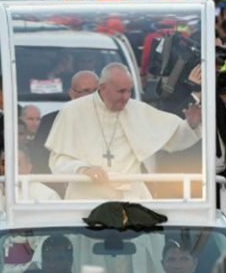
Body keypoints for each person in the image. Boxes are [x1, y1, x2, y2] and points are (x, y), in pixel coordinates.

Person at [46, 63, 202, 200]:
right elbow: (59, 160)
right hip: (87, 196)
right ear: (103, 88)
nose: (126, 97)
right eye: (121, 91)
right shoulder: (73, 111)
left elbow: (173, 140)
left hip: (131, 196)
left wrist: (191, 125)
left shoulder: (137, 110)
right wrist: (83, 169)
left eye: (129, 91)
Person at [30, 70, 99, 174]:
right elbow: (40, 159)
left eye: (96, 91)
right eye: (86, 91)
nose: (92, 96)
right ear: (72, 94)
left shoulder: (110, 119)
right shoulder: (50, 121)